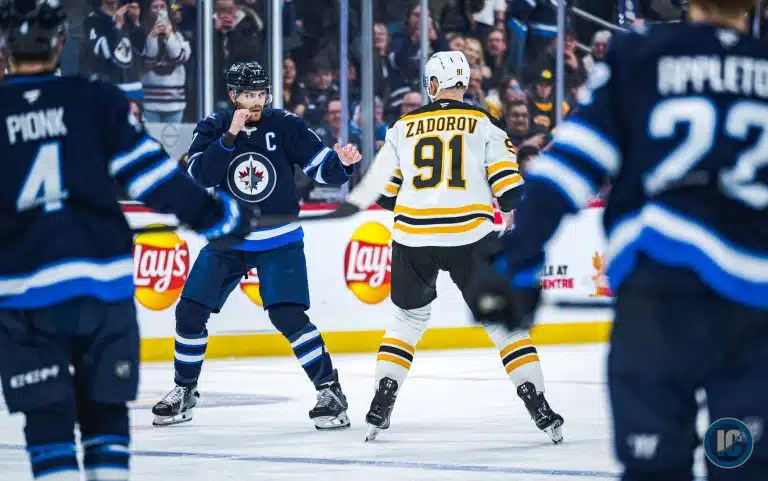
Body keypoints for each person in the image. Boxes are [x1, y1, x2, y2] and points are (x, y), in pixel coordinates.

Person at [466, 1, 768, 479]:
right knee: (743, 464)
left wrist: (516, 263)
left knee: (653, 467)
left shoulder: (641, 54)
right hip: (753, 305)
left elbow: (571, 165)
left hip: (658, 294)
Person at [0, 2, 251, 480]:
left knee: (47, 424)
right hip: (100, 291)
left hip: (22, 300)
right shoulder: (95, 100)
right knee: (105, 420)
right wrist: (221, 216)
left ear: (6, 49)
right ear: (60, 44)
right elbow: (155, 179)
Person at [360, 51, 563, 443]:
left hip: (412, 237)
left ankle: (383, 397)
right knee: (502, 322)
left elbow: (383, 195)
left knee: (407, 320)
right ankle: (537, 404)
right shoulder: (485, 123)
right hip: (470, 236)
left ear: (433, 84)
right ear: (465, 83)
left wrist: (422, 200)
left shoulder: (402, 126)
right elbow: (510, 193)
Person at [151, 61, 362, 431]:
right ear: (233, 95)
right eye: (248, 94)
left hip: (279, 238)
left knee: (288, 316)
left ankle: (330, 391)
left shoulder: (286, 124)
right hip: (229, 237)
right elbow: (199, 175)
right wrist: (229, 137)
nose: (256, 101)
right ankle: (184, 390)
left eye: (261, 93)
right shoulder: (214, 126)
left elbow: (320, 166)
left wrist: (341, 164)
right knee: (189, 311)